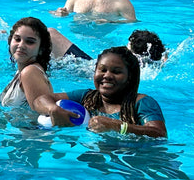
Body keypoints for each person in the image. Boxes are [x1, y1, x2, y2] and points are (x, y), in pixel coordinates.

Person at [34, 46, 167, 138]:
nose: (107, 75)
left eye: (116, 72)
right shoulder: (87, 97)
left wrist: (118, 127)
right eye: (102, 70)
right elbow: (40, 100)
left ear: (129, 78)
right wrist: (53, 109)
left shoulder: (141, 103)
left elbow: (159, 134)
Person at [0, 17, 54, 107]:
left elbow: (41, 116)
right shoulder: (22, 70)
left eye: (29, 42)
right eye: (17, 39)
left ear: (41, 49)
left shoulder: (30, 73)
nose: (21, 45)